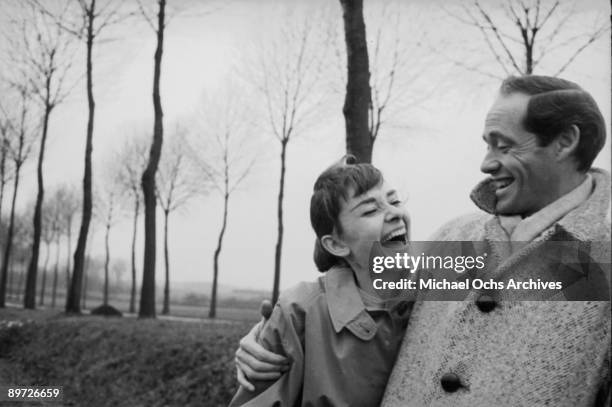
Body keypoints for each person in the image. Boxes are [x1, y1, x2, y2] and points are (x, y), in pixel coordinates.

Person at [234, 75, 611, 406]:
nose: (485, 163)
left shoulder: (601, 265)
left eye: (504, 146)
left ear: (565, 142)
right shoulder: (453, 239)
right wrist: (274, 337)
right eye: (487, 144)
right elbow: (369, 297)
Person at [229, 158, 414, 406]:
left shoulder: (440, 298)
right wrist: (271, 335)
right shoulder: (299, 312)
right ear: (336, 244)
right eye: (370, 210)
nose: (395, 213)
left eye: (394, 201)